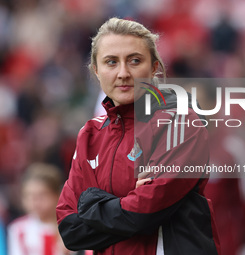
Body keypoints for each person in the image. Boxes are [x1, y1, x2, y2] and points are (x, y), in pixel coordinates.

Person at [56, 17, 220, 255]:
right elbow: (70, 229)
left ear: (154, 67)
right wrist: (128, 200)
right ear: (96, 71)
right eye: (111, 62)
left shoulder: (181, 122)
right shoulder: (88, 135)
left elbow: (146, 211)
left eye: (134, 61)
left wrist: (92, 205)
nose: (123, 73)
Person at [8, 163, 72, 255]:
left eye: (42, 195)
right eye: (29, 196)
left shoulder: (69, 227)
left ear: (57, 195)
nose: (35, 202)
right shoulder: (18, 229)